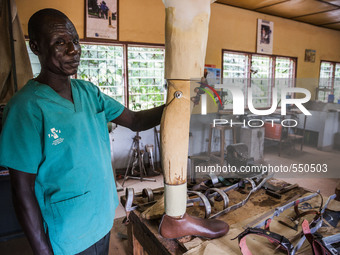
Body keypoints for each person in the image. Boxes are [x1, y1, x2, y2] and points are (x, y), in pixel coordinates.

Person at [0, 8, 164, 255]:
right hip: (67, 234)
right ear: (36, 47)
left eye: (75, 40)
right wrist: (43, 251)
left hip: (102, 218)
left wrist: (177, 104)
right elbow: (22, 191)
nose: (73, 49)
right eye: (60, 42)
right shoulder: (26, 108)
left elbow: (137, 120)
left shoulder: (89, 93)